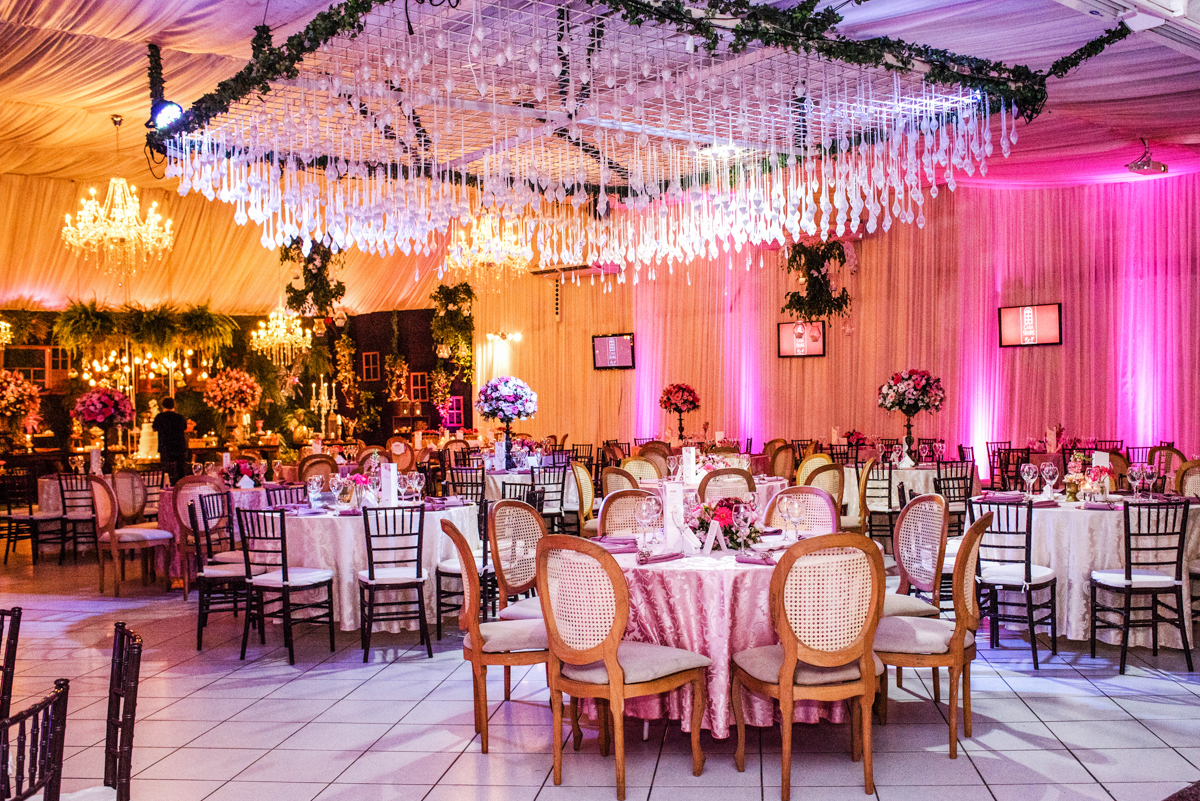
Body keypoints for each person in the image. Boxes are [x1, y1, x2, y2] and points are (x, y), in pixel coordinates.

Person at [152, 397, 188, 482]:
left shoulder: (160, 417)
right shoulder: (180, 417)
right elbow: (185, 428)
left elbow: (154, 428)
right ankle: (180, 486)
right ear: (174, 405)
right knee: (180, 470)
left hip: (165, 447)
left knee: (166, 470)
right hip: (179, 447)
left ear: (162, 406)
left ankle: (166, 486)